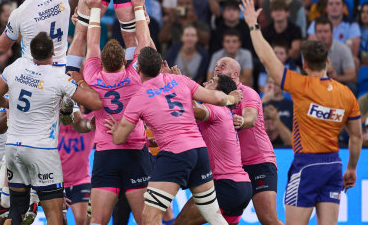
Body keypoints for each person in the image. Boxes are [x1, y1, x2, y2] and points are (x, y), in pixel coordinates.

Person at [240, 0, 362, 225]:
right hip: (335, 164)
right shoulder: (347, 93)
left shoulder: (301, 85)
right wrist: (352, 169)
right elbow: (355, 135)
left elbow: (268, 59)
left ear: (304, 64)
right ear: (328, 62)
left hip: (307, 166)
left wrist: (253, 25)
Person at [108, 47, 243, 225]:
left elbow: (119, 138)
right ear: (159, 65)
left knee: (150, 217)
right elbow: (216, 98)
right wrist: (232, 99)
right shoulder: (180, 80)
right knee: (213, 214)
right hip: (199, 152)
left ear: (138, 69)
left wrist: (116, 128)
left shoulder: (139, 97)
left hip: (175, 155)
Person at [0, 32, 102, 225]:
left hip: (13, 148)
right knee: (54, 214)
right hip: (41, 151)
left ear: (30, 51)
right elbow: (96, 103)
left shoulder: (17, 66)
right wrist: (80, 80)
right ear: (53, 53)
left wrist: (10, 104)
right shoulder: (59, 77)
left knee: (17, 211)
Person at [78, 0, 152, 225]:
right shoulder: (134, 76)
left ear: (101, 61)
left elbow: (91, 43)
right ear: (124, 61)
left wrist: (94, 10)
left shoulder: (93, 75)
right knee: (145, 221)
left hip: (106, 153)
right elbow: (144, 43)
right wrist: (139, 7)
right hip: (135, 152)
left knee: (98, 221)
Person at [212, 56, 281, 225]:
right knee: (226, 221)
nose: (217, 68)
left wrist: (243, 121)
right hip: (233, 169)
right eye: (216, 66)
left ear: (235, 74)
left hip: (258, 162)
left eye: (223, 66)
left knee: (268, 219)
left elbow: (250, 117)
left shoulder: (248, 93)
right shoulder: (215, 98)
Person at [174, 74, 252, 225]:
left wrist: (176, 81)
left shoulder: (216, 109)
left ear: (220, 93)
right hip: (240, 186)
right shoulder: (224, 113)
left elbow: (190, 107)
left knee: (180, 223)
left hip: (226, 185)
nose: (204, 83)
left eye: (211, 82)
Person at [312, 17, 357, 86]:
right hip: (317, 84)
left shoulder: (343, 49)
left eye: (326, 31)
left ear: (332, 33)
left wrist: (336, 77)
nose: (323, 35)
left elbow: (352, 76)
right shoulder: (309, 51)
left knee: (351, 86)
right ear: (315, 34)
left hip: (338, 84)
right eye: (319, 32)